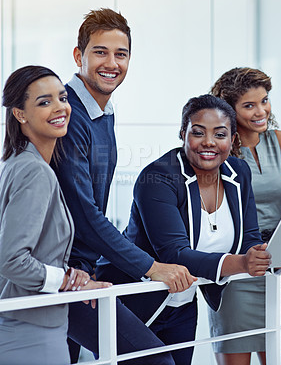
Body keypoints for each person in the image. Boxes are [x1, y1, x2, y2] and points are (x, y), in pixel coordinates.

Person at [52, 8, 195, 364]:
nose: (111, 63)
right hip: (61, 274)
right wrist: (151, 267)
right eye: (100, 51)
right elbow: (84, 214)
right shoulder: (70, 116)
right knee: (155, 360)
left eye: (121, 53)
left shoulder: (104, 111)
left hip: (83, 268)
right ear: (78, 55)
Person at [96, 94, 272, 364]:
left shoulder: (238, 172)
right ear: (183, 133)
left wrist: (271, 255)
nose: (209, 142)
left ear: (233, 139)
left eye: (220, 134)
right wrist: (243, 263)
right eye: (198, 132)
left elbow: (248, 238)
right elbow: (174, 253)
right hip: (132, 299)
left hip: (184, 303)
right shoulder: (158, 177)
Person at [0, 65, 111, 365]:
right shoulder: (34, 172)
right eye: (44, 102)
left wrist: (71, 272)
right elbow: (10, 260)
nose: (60, 108)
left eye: (62, 98)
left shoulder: (13, 164)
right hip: (31, 334)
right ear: (20, 114)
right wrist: (68, 279)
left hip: (19, 325)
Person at [207, 67, 281, 365]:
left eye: (265, 100)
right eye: (249, 105)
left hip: (276, 266)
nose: (261, 111)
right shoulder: (219, 148)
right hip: (236, 271)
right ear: (230, 110)